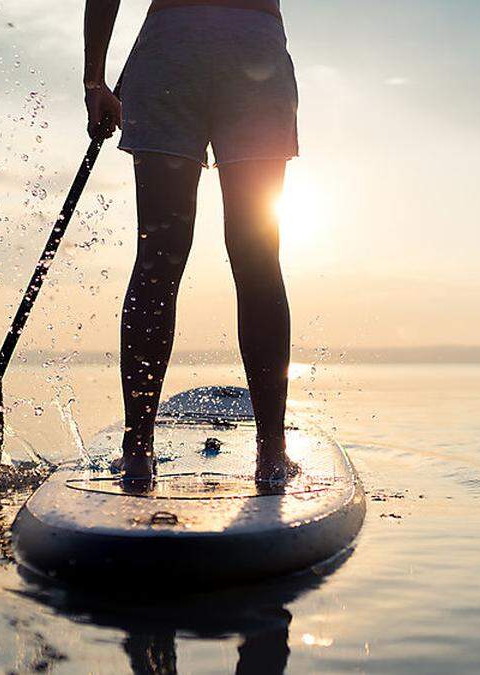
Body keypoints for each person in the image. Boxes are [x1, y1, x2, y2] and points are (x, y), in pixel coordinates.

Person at [83, 0, 300, 483]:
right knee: (258, 256)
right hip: (254, 49)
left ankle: (138, 451)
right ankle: (271, 455)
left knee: (158, 257)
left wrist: (94, 81)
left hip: (170, 47)